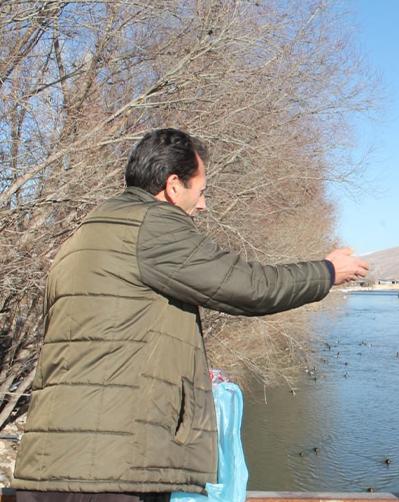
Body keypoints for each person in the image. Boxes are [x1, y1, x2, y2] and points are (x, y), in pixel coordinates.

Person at [13, 128, 369, 502]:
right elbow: (250, 287)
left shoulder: (83, 236)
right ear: (173, 186)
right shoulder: (152, 226)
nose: (203, 205)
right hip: (112, 472)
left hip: (48, 468)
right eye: (200, 192)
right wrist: (326, 272)